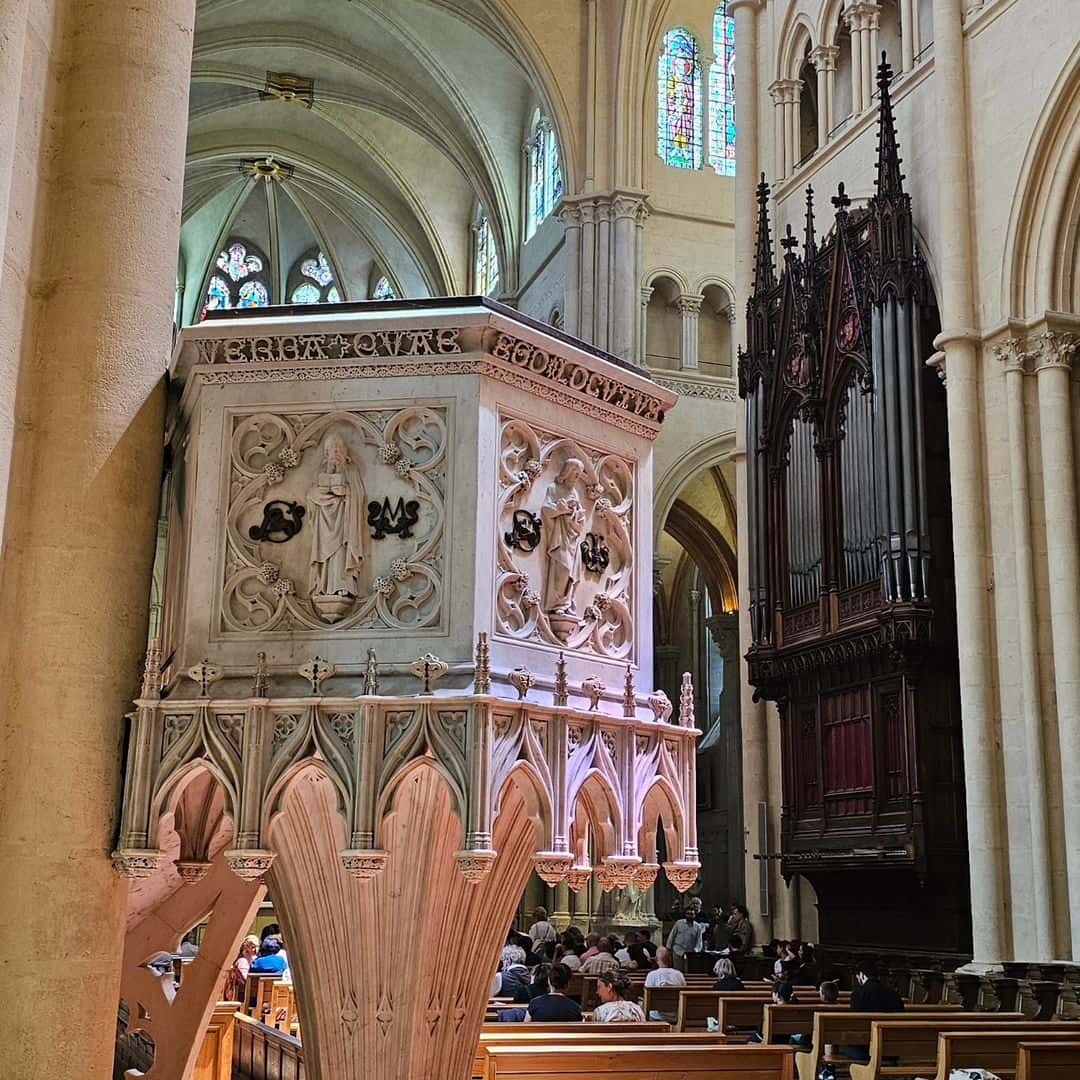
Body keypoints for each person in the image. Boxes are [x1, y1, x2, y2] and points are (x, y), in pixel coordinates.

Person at [224, 934, 259, 1001]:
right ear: (246, 947)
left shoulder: (254, 958)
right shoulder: (242, 961)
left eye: (257, 947)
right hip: (243, 992)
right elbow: (245, 979)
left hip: (252, 990)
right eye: (253, 947)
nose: (255, 950)